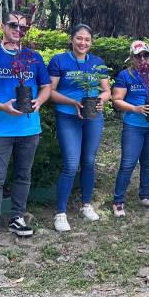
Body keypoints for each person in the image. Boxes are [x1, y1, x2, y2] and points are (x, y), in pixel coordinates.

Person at [0, 11, 52, 253]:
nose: (18, 30)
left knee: (23, 174)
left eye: (23, 27)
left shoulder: (32, 57)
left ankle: (17, 217)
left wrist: (40, 102)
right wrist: (2, 107)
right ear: (2, 27)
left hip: (29, 128)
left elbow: (46, 86)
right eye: (13, 25)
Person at [48, 24, 111, 232]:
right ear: (71, 39)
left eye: (87, 39)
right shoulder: (59, 60)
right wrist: (72, 102)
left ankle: (86, 204)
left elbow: (107, 90)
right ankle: (60, 212)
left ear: (91, 42)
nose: (83, 43)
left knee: (89, 161)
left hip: (93, 117)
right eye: (79, 38)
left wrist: (101, 100)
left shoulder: (98, 63)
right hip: (68, 116)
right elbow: (50, 92)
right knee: (71, 164)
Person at [111, 41, 149, 217]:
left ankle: (144, 195)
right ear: (132, 58)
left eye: (145, 55)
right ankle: (118, 200)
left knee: (148, 163)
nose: (142, 59)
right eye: (138, 56)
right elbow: (117, 99)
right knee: (128, 163)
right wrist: (136, 109)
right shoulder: (125, 75)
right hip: (133, 125)